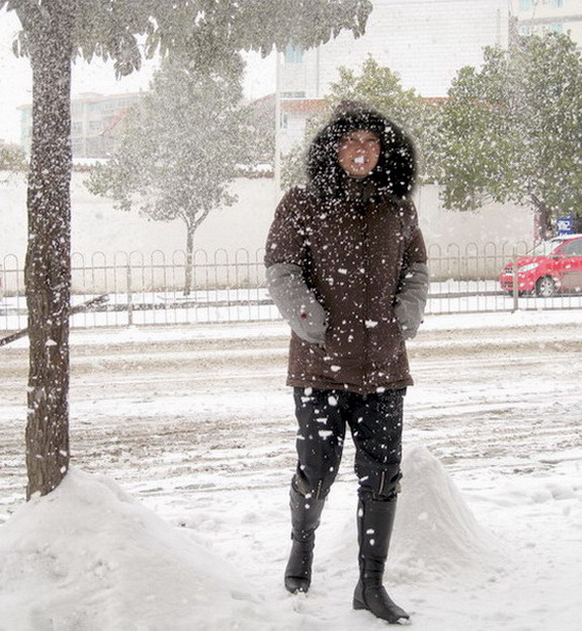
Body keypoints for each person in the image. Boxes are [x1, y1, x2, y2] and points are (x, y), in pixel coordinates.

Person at [264, 101, 428, 624]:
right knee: (316, 472)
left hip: (384, 368)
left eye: (372, 143)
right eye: (352, 141)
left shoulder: (398, 207)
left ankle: (371, 584)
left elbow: (417, 267)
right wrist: (312, 322)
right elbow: (282, 269)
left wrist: (406, 314)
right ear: (333, 148)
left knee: (382, 476)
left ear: (386, 152)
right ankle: (302, 543)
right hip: (320, 369)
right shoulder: (302, 203)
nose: (362, 151)